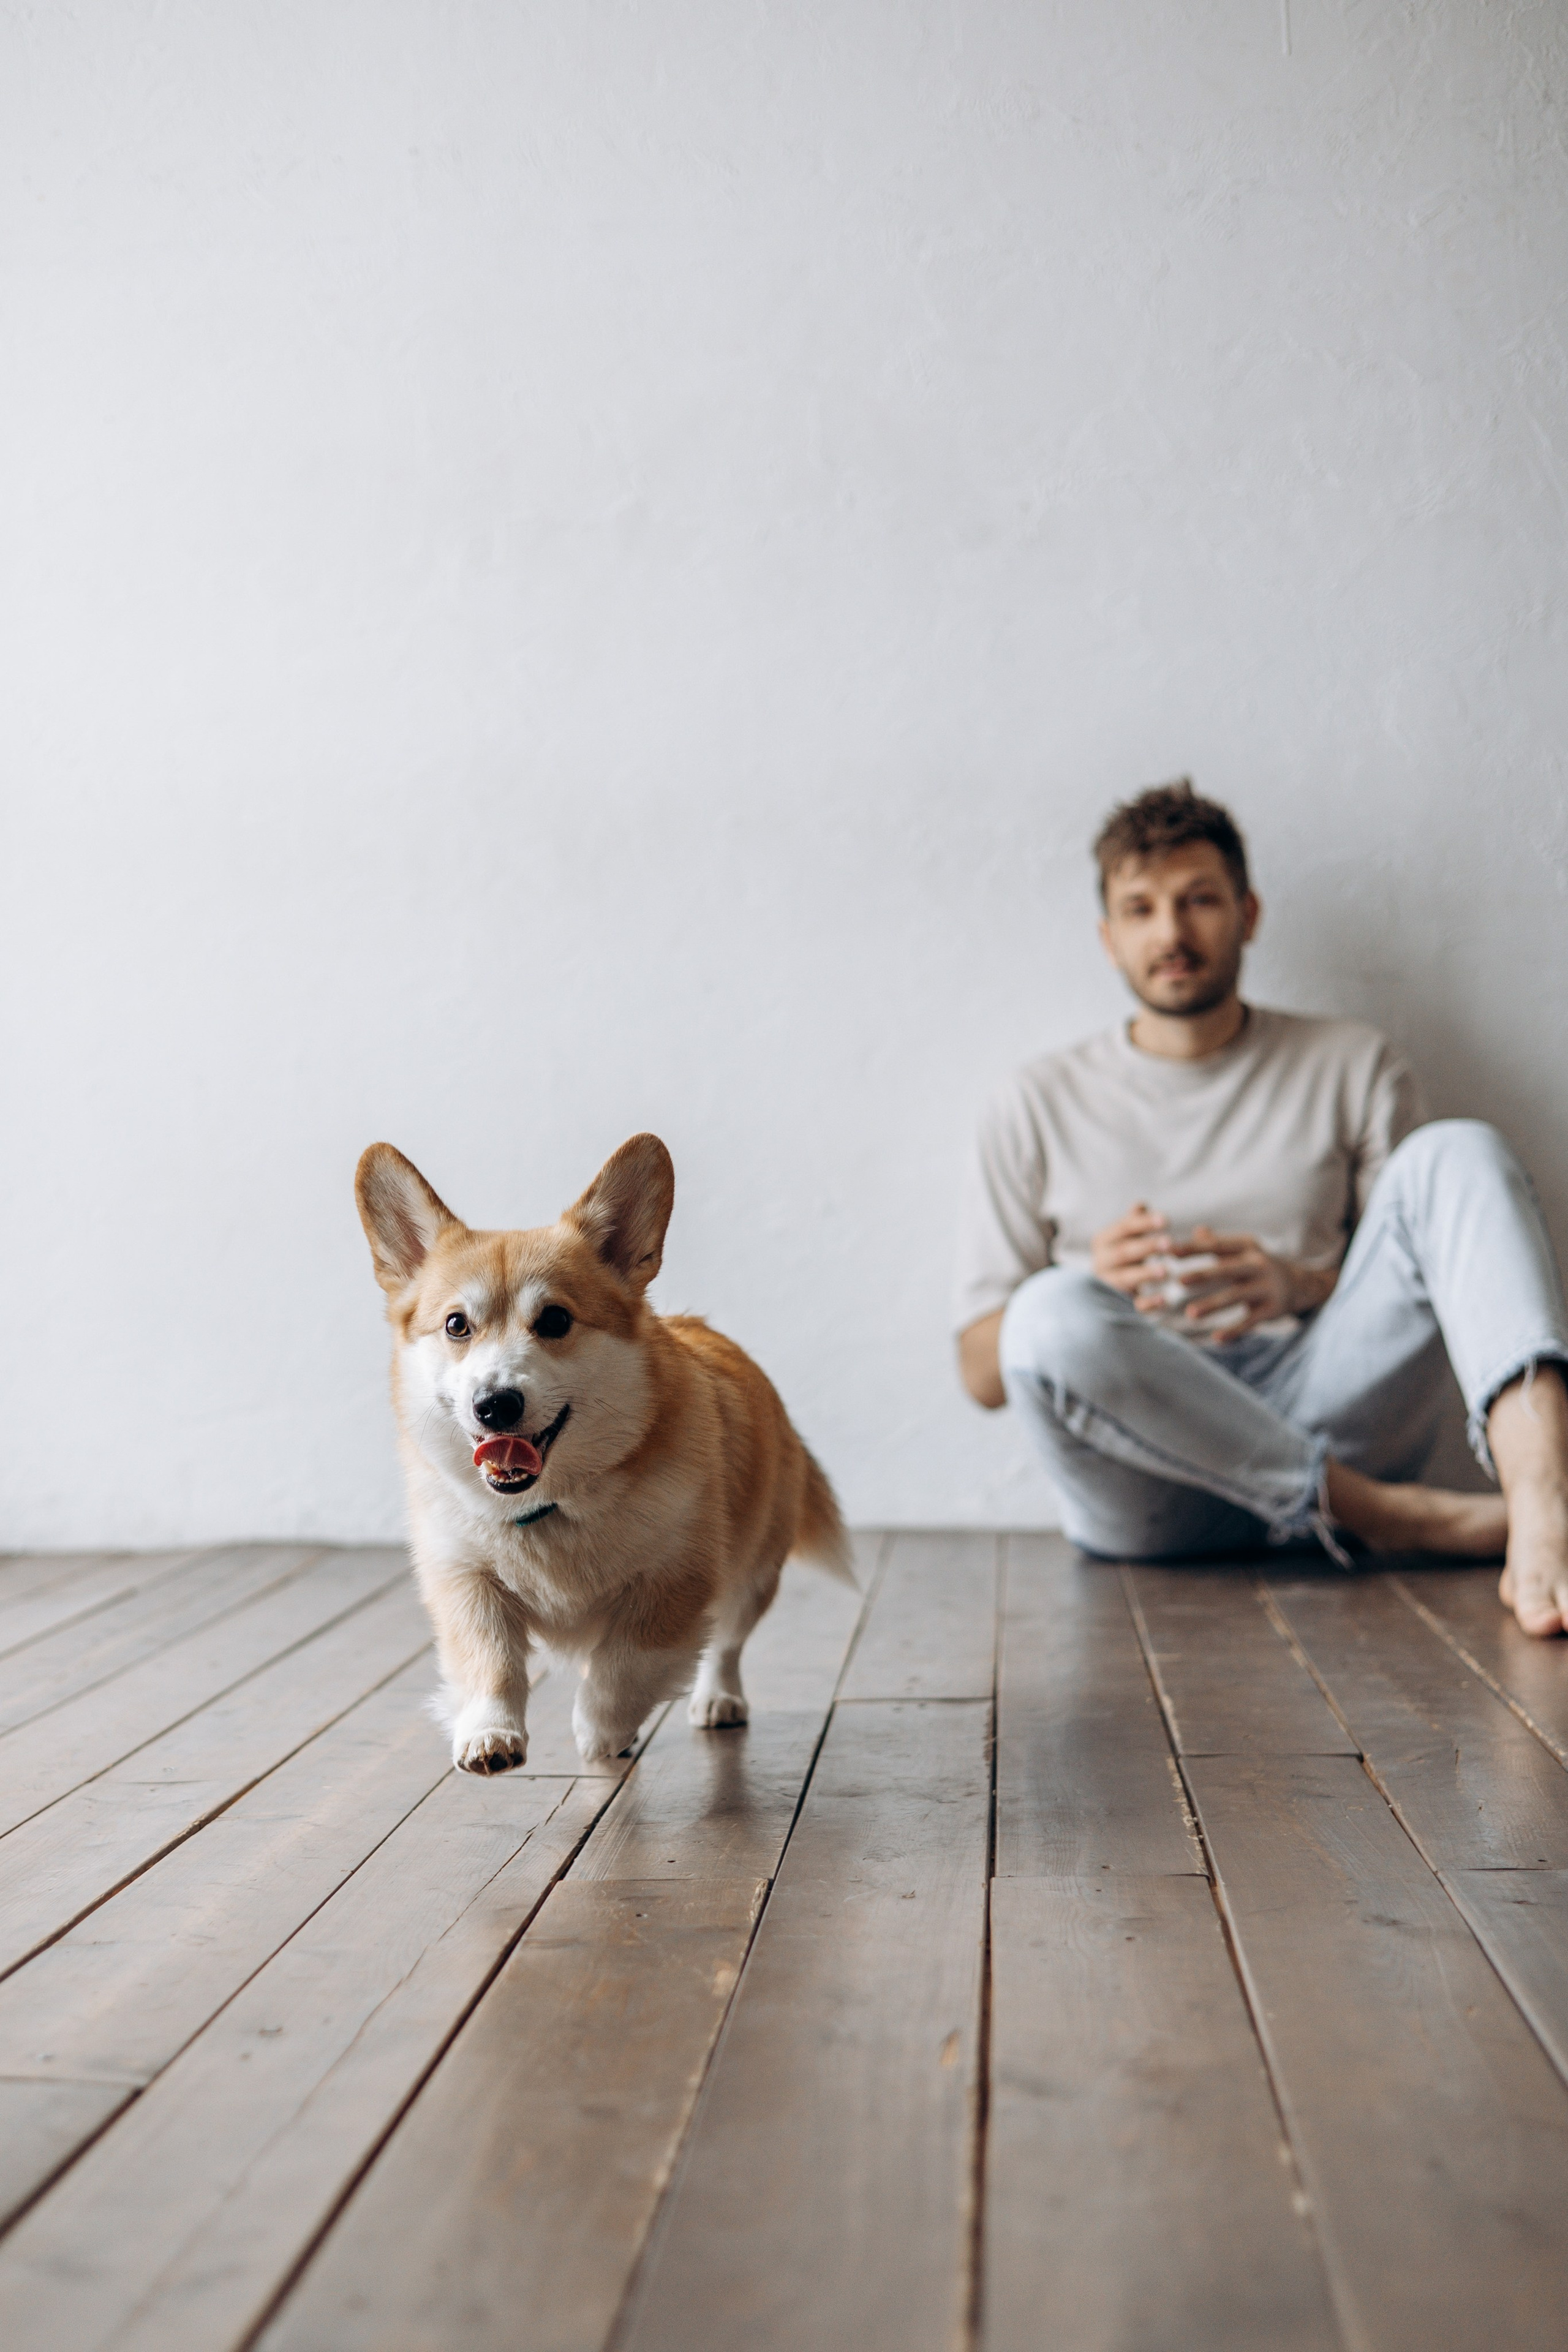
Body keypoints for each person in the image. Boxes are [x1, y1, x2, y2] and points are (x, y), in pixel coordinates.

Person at [954, 780, 1568, 1636]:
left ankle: (1545, 1509)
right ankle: (1398, 1518)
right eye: (1141, 909)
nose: (1171, 933)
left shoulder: (1353, 1062)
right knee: (1050, 1308)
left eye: (1200, 900)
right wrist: (1101, 1288)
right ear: (1108, 938)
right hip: (1147, 1489)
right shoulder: (1033, 1101)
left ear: (1248, 913)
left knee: (1459, 1151)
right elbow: (983, 1373)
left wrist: (1303, 1286)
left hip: (1327, 1404)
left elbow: (1432, 1276)